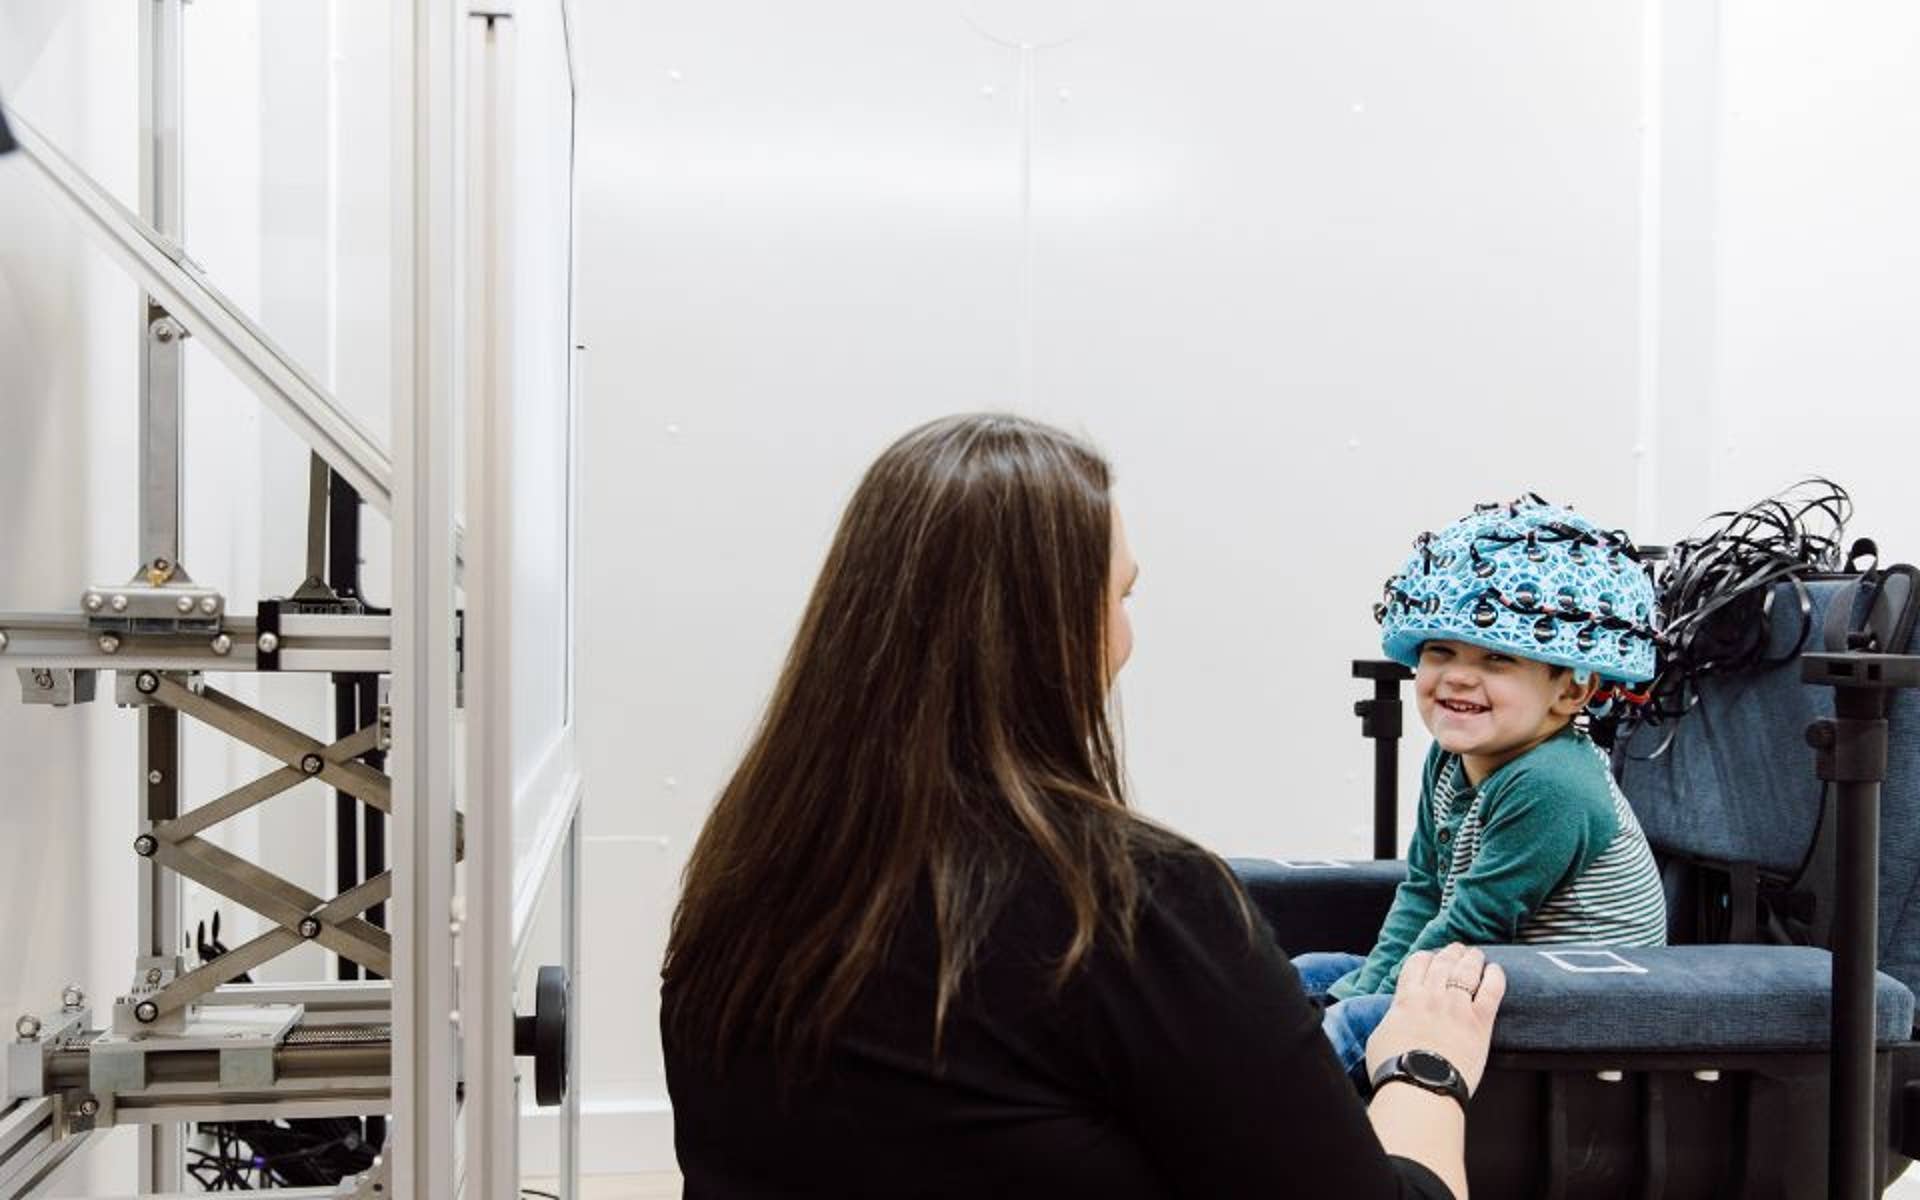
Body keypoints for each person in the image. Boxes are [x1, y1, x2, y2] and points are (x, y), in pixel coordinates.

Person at [662, 414, 1502, 1198]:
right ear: (1055, 630)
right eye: (1122, 598)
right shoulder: (1133, 906)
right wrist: (1428, 1066)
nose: (1128, 635)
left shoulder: (740, 889)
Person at [1294, 498, 1668, 1086]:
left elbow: (1473, 923)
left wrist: (1353, 1004)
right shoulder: (1450, 756)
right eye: (1440, 651)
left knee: (1350, 1024)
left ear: (1571, 692)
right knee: (1309, 976)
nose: (1459, 675)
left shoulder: (1552, 783)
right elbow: (1423, 890)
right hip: (1479, 968)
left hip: (1569, 1004)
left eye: (1497, 659)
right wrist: (1354, 987)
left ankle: (1260, 1134)